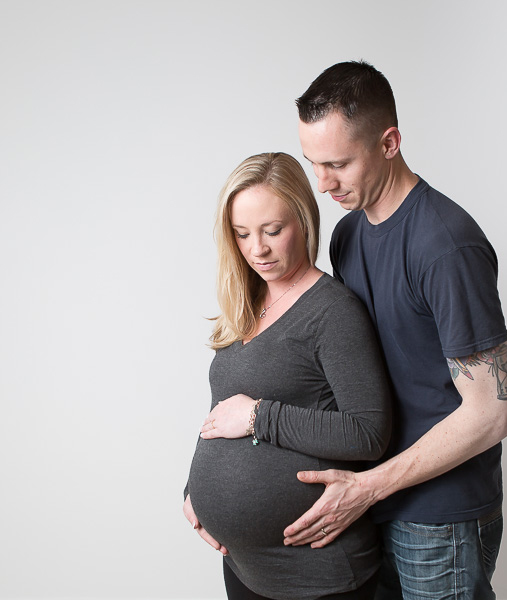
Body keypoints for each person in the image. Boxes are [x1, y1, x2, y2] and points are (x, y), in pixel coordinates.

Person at [282, 61, 507, 600]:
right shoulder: (346, 235)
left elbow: (493, 412)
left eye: (338, 163)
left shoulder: (446, 247)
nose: (323, 184)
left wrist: (367, 488)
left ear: (389, 142)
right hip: (374, 504)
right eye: (313, 163)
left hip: (440, 519)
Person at [183, 152, 393, 600]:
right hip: (244, 567)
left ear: (303, 219)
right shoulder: (244, 304)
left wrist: (260, 416)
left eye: (272, 231)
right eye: (242, 234)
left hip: (316, 574)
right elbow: (222, 411)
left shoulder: (334, 312)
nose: (257, 249)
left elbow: (369, 432)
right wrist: (195, 492)